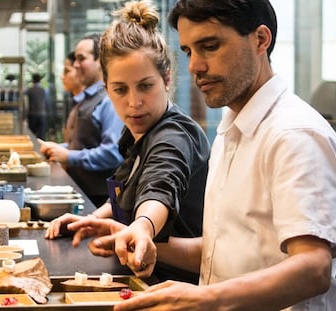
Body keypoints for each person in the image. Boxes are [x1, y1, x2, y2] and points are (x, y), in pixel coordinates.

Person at [73, 1, 336, 310]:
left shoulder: (295, 133)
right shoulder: (231, 130)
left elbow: (313, 270)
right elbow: (220, 251)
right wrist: (140, 240)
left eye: (209, 46)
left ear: (261, 40)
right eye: (188, 51)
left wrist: (203, 298)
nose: (195, 66)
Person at [45, 0, 210, 284]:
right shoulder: (137, 132)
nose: (134, 103)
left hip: (177, 286)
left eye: (145, 86)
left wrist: (143, 226)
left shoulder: (175, 134)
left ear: (167, 79)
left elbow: (161, 184)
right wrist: (89, 221)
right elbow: (128, 190)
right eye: (120, 89)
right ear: (106, 88)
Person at [39, 34, 124, 207]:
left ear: (100, 60)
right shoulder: (86, 98)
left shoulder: (108, 100)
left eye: (81, 59)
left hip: (101, 200)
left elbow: (113, 152)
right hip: (84, 193)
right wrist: (59, 149)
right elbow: (83, 143)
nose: (75, 64)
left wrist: (69, 156)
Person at [61, 51, 84, 142]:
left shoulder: (101, 102)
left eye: (67, 71)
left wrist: (67, 154)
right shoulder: (78, 101)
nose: (62, 77)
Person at [25, 73, 47, 140]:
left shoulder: (30, 90)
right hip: (42, 114)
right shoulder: (43, 90)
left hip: (32, 114)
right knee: (41, 135)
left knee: (31, 135)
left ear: (33, 80)